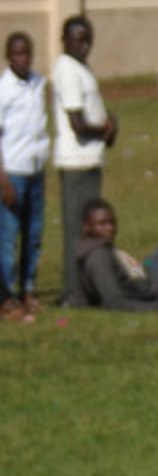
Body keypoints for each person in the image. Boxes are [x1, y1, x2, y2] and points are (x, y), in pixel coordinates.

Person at [52, 15, 116, 305]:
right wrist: (103, 128)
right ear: (64, 40)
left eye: (88, 39)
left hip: (89, 158)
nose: (84, 45)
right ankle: (72, 292)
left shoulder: (81, 67)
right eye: (78, 38)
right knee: (77, 230)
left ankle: (85, 288)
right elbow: (77, 122)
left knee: (89, 228)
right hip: (75, 161)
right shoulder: (66, 70)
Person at [0, 32, 49, 319]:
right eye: (17, 54)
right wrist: (2, 177)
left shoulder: (38, 84)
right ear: (9, 56)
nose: (23, 59)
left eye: (27, 53)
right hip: (13, 171)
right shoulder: (4, 89)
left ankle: (27, 288)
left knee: (33, 233)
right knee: (9, 237)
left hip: (35, 169)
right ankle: (6, 295)